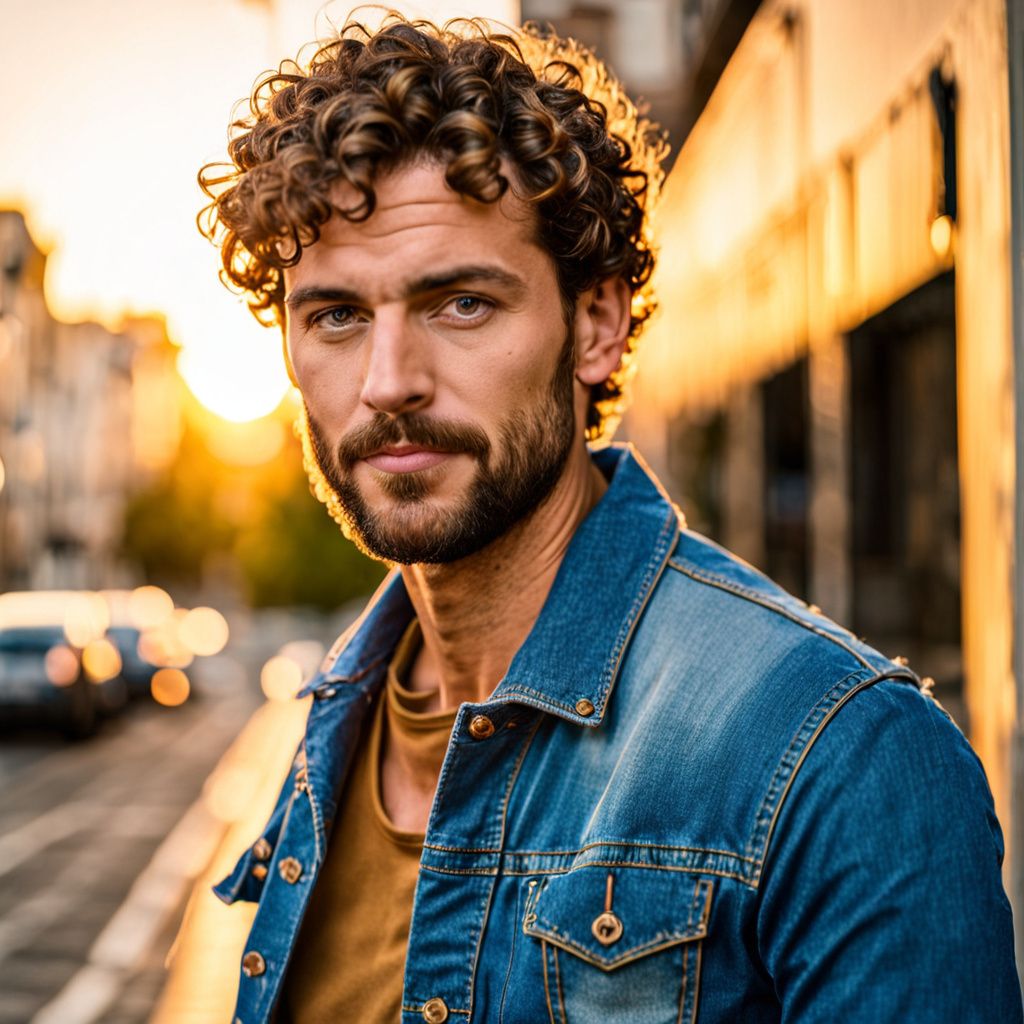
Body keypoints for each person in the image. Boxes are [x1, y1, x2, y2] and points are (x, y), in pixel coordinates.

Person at [196, 14, 1021, 1023]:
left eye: (459, 304)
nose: (387, 383)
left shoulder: (844, 756)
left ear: (595, 323)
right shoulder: (338, 721)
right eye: (335, 315)